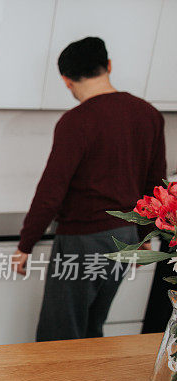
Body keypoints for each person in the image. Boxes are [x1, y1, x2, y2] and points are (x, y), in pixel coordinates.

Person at [11, 36, 166, 342]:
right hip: (124, 238)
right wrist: (146, 233)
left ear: (66, 80)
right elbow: (155, 182)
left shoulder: (76, 121)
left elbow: (51, 191)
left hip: (83, 239)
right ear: (108, 66)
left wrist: (25, 244)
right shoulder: (149, 114)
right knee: (93, 327)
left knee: (61, 331)